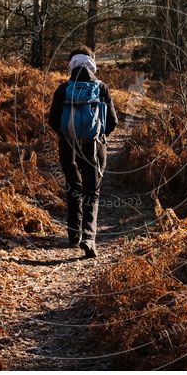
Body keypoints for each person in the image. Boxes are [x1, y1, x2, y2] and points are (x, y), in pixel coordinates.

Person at [48, 46, 118, 258]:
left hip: (68, 145)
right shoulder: (101, 87)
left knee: (73, 186)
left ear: (71, 64)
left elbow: (53, 120)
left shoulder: (63, 89)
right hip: (94, 145)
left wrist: (66, 134)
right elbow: (113, 121)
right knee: (91, 191)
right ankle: (88, 237)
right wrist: (99, 135)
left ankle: (73, 235)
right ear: (92, 63)